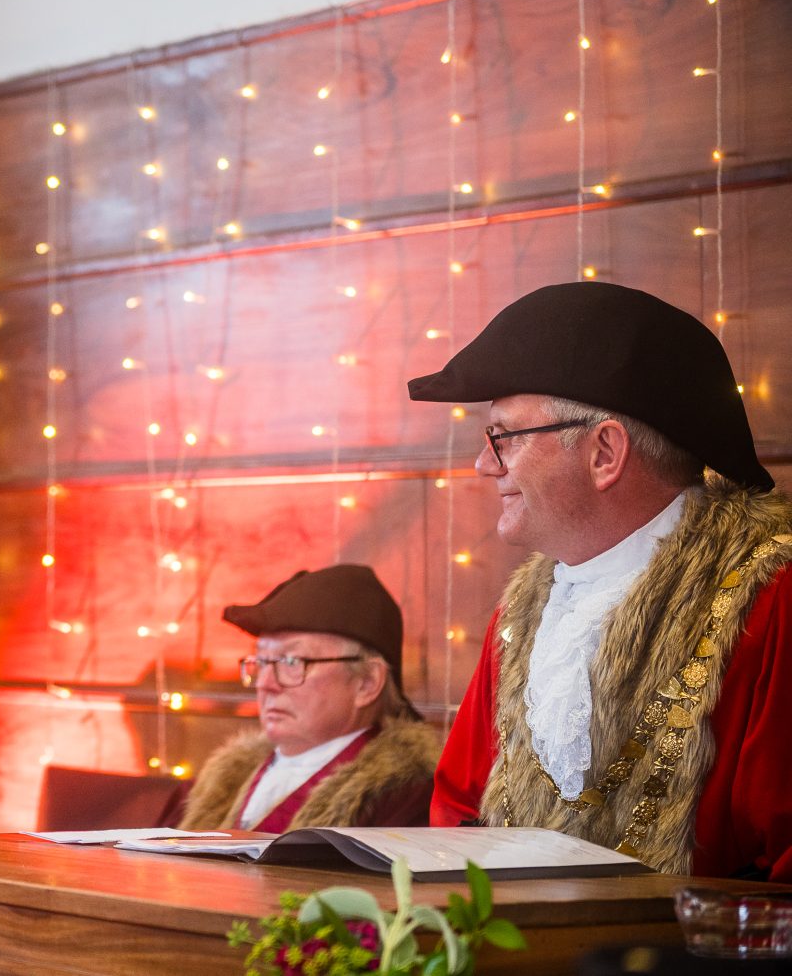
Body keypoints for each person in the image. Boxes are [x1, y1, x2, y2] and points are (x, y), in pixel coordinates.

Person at [407, 280, 792, 881]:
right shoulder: (517, 617)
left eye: (503, 436)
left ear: (605, 452)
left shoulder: (772, 599)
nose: (484, 464)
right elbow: (457, 807)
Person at [178, 564, 441, 833]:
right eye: (261, 662)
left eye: (292, 661)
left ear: (367, 682)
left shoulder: (405, 797)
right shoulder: (220, 781)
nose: (266, 684)